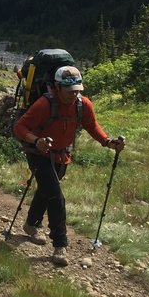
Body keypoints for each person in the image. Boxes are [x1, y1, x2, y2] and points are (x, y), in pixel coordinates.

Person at [13, 65, 125, 266]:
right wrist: (35, 140)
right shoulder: (44, 104)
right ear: (57, 87)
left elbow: (91, 126)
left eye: (77, 91)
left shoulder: (83, 105)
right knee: (56, 196)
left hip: (62, 155)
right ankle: (60, 245)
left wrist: (107, 142)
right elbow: (20, 127)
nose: (73, 95)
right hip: (39, 153)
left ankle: (31, 225)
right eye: (69, 91)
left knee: (46, 191)